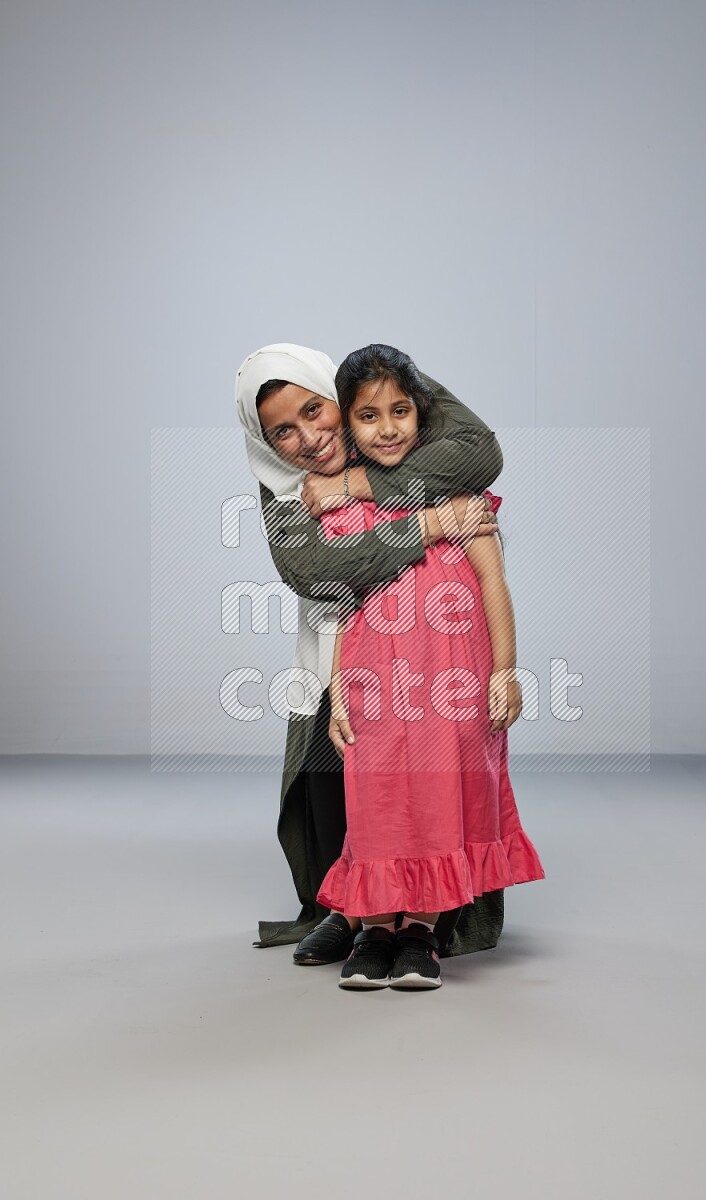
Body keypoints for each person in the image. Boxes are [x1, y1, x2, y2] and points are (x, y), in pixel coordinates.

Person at [235, 343, 506, 965]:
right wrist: (429, 525)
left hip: (426, 647)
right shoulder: (283, 489)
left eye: (315, 410)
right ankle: (350, 910)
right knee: (336, 779)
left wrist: (358, 480)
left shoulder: (376, 411)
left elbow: (482, 454)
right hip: (339, 646)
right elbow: (316, 570)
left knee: (428, 783)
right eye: (283, 431)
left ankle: (424, 916)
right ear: (263, 440)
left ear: (336, 396)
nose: (308, 437)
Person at [314, 345, 545, 989]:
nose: (387, 428)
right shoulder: (346, 509)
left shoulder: (460, 495)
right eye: (368, 416)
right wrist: (338, 693)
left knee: (445, 797)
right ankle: (375, 929)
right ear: (348, 424)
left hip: (457, 681)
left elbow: (495, 586)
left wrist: (506, 670)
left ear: (421, 413)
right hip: (374, 682)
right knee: (379, 800)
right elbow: (345, 602)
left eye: (400, 411)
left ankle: (419, 931)